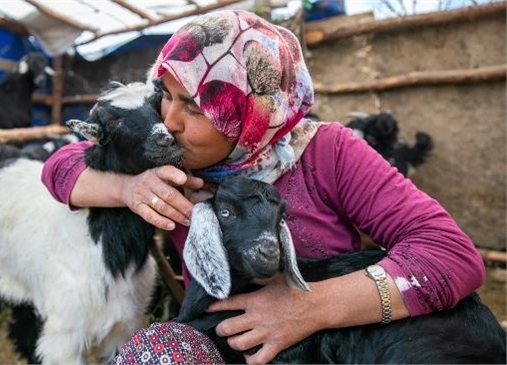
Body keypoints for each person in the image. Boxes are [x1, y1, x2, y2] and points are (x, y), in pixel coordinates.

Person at [41, 10, 485, 365]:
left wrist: (308, 308)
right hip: (221, 341)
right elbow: (59, 168)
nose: (169, 121)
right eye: (166, 95)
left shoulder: (327, 151)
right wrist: (129, 188)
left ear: (249, 113)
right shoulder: (168, 154)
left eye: (194, 107)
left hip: (338, 343)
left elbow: (450, 255)